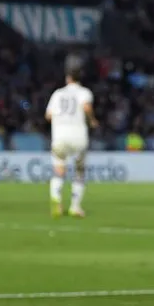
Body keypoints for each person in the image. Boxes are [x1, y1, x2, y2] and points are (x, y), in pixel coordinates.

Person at [45, 62, 97, 217]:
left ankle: (56, 199)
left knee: (59, 170)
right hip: (78, 135)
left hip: (60, 135)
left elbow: (48, 115)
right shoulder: (84, 92)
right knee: (79, 170)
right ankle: (75, 206)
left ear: (68, 78)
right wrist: (92, 120)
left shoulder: (58, 94)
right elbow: (86, 107)